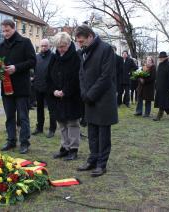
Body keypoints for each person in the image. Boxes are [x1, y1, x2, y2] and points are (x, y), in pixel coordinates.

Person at [76, 25, 118, 177]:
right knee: (92, 132)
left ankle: (102, 164)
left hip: (103, 99)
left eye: (82, 41)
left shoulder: (106, 49)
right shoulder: (84, 52)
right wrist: (83, 93)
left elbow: (106, 76)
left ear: (90, 36)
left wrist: (90, 94)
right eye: (78, 42)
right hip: (89, 98)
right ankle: (92, 159)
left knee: (103, 134)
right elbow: (81, 74)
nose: (80, 45)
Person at [0, 19, 36, 154]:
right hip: (6, 88)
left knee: (23, 117)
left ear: (14, 28)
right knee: (9, 117)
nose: (5, 33)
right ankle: (11, 140)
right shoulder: (1, 46)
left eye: (7, 30)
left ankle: (24, 142)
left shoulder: (25, 42)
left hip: (22, 88)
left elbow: (32, 61)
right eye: (3, 31)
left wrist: (16, 68)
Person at [46, 32, 82, 160]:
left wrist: (65, 91)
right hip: (57, 97)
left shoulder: (76, 57)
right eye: (59, 46)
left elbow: (76, 78)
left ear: (69, 44)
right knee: (61, 123)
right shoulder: (54, 57)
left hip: (72, 97)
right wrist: (53, 91)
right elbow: (48, 76)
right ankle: (64, 147)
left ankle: (73, 148)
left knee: (72, 123)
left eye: (64, 46)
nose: (61, 49)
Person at [32, 39, 57, 138]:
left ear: (49, 46)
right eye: (42, 46)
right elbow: (34, 70)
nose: (43, 47)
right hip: (38, 86)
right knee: (39, 109)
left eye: (45, 46)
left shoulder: (54, 57)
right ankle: (39, 128)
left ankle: (52, 129)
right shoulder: (36, 57)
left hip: (50, 88)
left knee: (52, 109)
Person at [153, 51, 169, 121]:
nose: (161, 59)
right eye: (160, 57)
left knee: (163, 102)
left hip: (166, 87)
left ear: (165, 57)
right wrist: (156, 85)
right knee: (162, 102)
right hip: (159, 86)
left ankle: (159, 116)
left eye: (162, 57)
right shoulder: (160, 65)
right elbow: (158, 76)